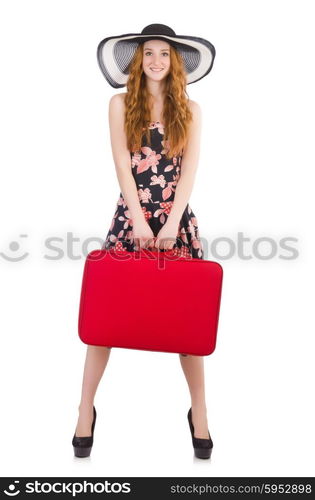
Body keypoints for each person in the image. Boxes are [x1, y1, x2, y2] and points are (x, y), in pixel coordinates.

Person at [72, 24, 216, 459]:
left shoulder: (191, 110)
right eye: (148, 52)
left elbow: (189, 172)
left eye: (164, 54)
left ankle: (200, 413)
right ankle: (84, 410)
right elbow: (121, 163)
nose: (156, 60)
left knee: (188, 323)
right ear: (138, 60)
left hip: (176, 221)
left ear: (174, 63)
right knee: (105, 317)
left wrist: (170, 223)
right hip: (130, 217)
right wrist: (137, 219)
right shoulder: (119, 104)